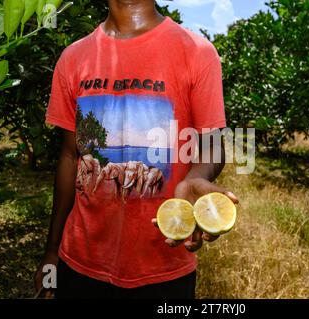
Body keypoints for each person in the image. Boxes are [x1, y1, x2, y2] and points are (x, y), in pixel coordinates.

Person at [34, 0, 238, 299]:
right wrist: (52, 250)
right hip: (78, 260)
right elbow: (69, 155)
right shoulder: (73, 57)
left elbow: (211, 143)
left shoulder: (196, 51)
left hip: (164, 263)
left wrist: (198, 175)